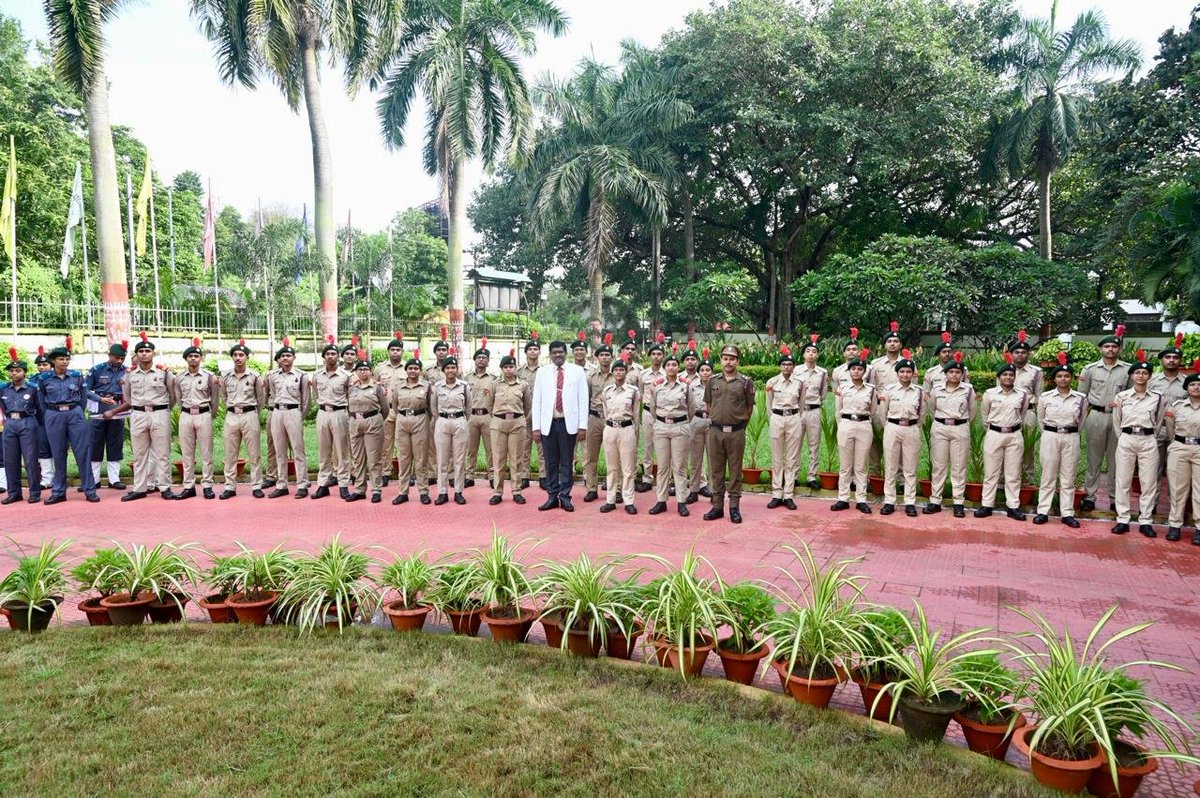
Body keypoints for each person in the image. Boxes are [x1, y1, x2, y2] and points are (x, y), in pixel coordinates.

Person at [106, 333, 178, 501]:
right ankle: (139, 488)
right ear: (136, 355)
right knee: (139, 453)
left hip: (160, 413)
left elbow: (172, 396)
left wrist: (163, 409)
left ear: (153, 353)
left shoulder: (164, 373)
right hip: (138, 414)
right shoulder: (129, 375)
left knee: (162, 453)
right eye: (141, 351)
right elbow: (128, 397)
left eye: (147, 351)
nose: (144, 354)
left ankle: (165, 487)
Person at [1111, 355, 1166, 537]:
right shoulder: (1122, 397)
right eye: (1137, 373)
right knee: (1123, 480)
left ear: (1149, 376)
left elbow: (1158, 421)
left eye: (1144, 373)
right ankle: (1123, 519)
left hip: (1148, 440)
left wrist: (1150, 435)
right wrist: (1123, 437)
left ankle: (1145, 520)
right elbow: (1116, 420)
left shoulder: (1158, 398)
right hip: (1126, 438)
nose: (1141, 376)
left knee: (1148, 481)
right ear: (1132, 376)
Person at [37, 343, 99, 504]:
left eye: (67, 359)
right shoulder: (44, 378)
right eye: (61, 359)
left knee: (82, 452)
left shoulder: (76, 375)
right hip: (54, 414)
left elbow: (83, 397)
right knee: (58, 453)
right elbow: (41, 400)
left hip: (74, 414)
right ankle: (58, 492)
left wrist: (77, 411)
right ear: (53, 361)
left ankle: (89, 490)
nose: (64, 362)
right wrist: (50, 413)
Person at [531, 340, 589, 512]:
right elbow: (537, 401)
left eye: (561, 352)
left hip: (568, 424)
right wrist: (536, 427)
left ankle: (565, 496)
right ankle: (552, 496)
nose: (558, 355)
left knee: (566, 462)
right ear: (550, 354)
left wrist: (582, 426)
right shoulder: (542, 372)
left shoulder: (577, 372)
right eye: (554, 352)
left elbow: (583, 400)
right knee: (550, 462)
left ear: (566, 353)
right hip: (548, 424)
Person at [1079, 325, 1131, 511]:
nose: (1110, 349)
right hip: (1096, 416)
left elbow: (1131, 395)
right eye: (1107, 347)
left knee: (1116, 460)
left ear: (1119, 349)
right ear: (1101, 349)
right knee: (1094, 459)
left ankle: (1115, 498)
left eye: (1114, 347)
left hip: (1118, 418)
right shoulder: (1090, 369)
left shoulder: (1127, 370)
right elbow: (1082, 397)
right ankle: (1090, 496)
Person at [703, 345, 756, 524]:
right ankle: (717, 506)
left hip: (736, 433)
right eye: (725, 358)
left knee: (735, 470)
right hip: (715, 432)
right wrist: (717, 420)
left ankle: (734, 507)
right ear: (721, 360)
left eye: (732, 358)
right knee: (716, 470)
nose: (728, 362)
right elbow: (709, 405)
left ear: (738, 361)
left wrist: (739, 424)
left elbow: (749, 408)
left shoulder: (746, 382)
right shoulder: (713, 381)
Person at [1033, 352, 1087, 528]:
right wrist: (1049, 433)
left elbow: (1082, 420)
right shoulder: (1045, 397)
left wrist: (1072, 433)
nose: (1063, 379)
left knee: (1068, 476)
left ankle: (1067, 513)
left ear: (1072, 378)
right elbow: (1040, 419)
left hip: (1071, 436)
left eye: (1067, 376)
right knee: (1048, 474)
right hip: (1050, 436)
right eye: (1059, 376)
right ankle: (1043, 511)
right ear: (1054, 379)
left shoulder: (1080, 398)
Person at [975, 355, 1029, 521]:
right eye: (1004, 375)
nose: (1008, 377)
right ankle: (987, 505)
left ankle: (1013, 506)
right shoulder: (990, 394)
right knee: (991, 472)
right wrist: (993, 429)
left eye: (1011, 375)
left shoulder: (1022, 394)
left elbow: (1023, 413)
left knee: (1013, 473)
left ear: (1015, 377)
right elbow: (984, 415)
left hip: (1014, 435)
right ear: (999, 377)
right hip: (994, 434)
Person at [925, 353, 973, 517]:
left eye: (957, 372)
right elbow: (932, 409)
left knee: (959, 467)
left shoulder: (968, 390)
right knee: (939, 466)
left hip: (960, 428)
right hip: (940, 427)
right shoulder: (936, 389)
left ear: (962, 374)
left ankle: (958, 502)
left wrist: (961, 423)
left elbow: (972, 412)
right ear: (945, 374)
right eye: (951, 372)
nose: (954, 375)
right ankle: (935, 501)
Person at [648, 355, 695, 516]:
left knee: (680, 466)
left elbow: (692, 408)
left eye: (674, 364)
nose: (671, 367)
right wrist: (662, 421)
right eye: (668, 365)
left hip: (680, 427)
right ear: (665, 367)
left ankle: (682, 501)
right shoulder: (656, 385)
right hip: (661, 427)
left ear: (678, 367)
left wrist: (679, 419)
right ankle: (661, 500)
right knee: (662, 467)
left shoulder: (686, 386)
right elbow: (652, 407)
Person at [218, 339, 265, 500]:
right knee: (230, 453)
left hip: (250, 415)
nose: (238, 358)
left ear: (247, 358)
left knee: (254, 453)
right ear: (232, 357)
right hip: (231, 416)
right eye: (235, 355)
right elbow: (223, 396)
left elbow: (261, 398)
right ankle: (230, 486)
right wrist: (232, 408)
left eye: (241, 355)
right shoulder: (226, 377)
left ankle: (257, 485)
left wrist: (252, 412)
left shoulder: (254, 377)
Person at [879, 351, 924, 517]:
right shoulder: (889, 390)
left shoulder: (919, 392)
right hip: (892, 427)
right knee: (891, 467)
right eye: (902, 371)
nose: (905, 374)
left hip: (911, 429)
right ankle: (889, 501)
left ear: (913, 374)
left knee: (910, 468)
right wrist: (889, 426)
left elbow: (922, 414)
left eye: (908, 372)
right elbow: (883, 412)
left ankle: (909, 502)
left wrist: (914, 426)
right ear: (897, 373)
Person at [264, 338, 310, 498]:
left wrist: (299, 416)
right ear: (279, 359)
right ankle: (281, 484)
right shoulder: (272, 376)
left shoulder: (301, 376)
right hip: (277, 412)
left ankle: (302, 484)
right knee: (279, 449)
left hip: (293, 412)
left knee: (298, 449)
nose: (285, 358)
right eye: (282, 356)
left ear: (293, 358)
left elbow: (306, 401)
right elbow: (270, 395)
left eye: (288, 356)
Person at [172, 338, 218, 499]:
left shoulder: (209, 377)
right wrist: (185, 410)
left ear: (201, 359)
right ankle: (189, 486)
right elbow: (178, 397)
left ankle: (207, 485)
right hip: (186, 415)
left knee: (206, 453)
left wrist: (209, 415)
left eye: (196, 356)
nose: (193, 359)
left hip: (204, 414)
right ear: (186, 359)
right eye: (190, 356)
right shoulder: (179, 378)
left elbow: (215, 399)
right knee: (187, 453)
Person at [831, 351, 873, 514]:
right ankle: (843, 498)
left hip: (864, 425)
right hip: (846, 424)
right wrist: (841, 425)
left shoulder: (871, 389)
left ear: (864, 372)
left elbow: (874, 410)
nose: (856, 371)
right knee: (845, 464)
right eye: (853, 369)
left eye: (860, 369)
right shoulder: (842, 388)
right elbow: (837, 410)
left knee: (861, 465)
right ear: (849, 371)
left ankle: (861, 499)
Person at [488, 352, 532, 505]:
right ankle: (497, 492)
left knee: (516, 459)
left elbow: (528, 406)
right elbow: (489, 404)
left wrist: (518, 417)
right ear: (501, 369)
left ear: (515, 368)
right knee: (498, 460)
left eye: (511, 367)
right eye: (506, 367)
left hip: (517, 423)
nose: (509, 370)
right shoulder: (494, 384)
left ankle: (517, 491)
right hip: (499, 424)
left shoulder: (523, 385)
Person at [84, 341, 128, 490]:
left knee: (115, 443)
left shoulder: (127, 371)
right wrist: (99, 399)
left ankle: (114, 479)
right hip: (98, 407)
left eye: (122, 358)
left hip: (117, 407)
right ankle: (94, 480)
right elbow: (85, 389)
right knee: (95, 443)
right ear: (109, 356)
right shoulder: (97, 370)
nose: (120, 361)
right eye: (117, 358)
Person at [765, 346, 804, 510]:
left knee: (791, 458)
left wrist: (797, 417)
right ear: (780, 366)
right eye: (784, 364)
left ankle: (788, 494)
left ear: (794, 366)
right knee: (777, 457)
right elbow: (768, 404)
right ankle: (777, 493)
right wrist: (773, 417)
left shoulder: (800, 383)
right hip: (777, 418)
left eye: (789, 364)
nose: (786, 367)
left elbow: (801, 404)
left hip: (794, 418)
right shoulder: (772, 382)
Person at [311, 341, 351, 500]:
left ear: (338, 357)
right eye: (327, 354)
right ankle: (323, 484)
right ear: (323, 357)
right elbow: (315, 395)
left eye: (333, 354)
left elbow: (350, 396)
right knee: (324, 451)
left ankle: (343, 485)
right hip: (323, 413)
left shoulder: (346, 376)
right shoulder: (316, 376)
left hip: (340, 413)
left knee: (342, 451)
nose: (330, 356)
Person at [1163, 372, 1200, 544]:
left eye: (1199, 385)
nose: (1197, 387)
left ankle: (1199, 528)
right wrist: (1177, 443)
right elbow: (1170, 429)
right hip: (1180, 447)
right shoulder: (1177, 407)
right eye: (1192, 385)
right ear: (1187, 387)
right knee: (1178, 488)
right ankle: (1175, 525)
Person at [600, 356, 640, 514]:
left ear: (626, 372)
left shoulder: (633, 392)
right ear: (612, 372)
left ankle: (628, 500)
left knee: (628, 468)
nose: (618, 372)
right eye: (616, 370)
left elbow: (636, 414)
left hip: (627, 429)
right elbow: (605, 412)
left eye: (621, 370)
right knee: (611, 467)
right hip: (610, 429)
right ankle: (610, 499)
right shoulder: (606, 391)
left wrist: (633, 431)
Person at [390, 357, 432, 506]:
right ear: (406, 370)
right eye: (410, 368)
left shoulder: (427, 386)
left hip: (420, 420)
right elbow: (394, 405)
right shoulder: (398, 386)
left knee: (421, 459)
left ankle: (423, 491)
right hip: (402, 421)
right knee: (403, 458)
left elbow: (431, 407)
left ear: (420, 371)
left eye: (416, 368)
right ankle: (403, 492)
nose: (413, 371)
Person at [1, 352, 42, 504]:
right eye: (12, 371)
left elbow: (40, 408)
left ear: (25, 372)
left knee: (30, 459)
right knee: (10, 460)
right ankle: (14, 493)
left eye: (18, 371)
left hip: (27, 422)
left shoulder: (32, 388)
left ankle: (34, 492)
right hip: (10, 424)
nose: (14, 373)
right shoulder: (4, 389)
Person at [346, 354, 387, 503]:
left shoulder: (377, 387)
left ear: (371, 371)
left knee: (374, 458)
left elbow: (385, 409)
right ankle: (359, 489)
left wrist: (375, 419)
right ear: (356, 372)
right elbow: (348, 407)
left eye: (366, 369)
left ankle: (376, 489)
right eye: (360, 369)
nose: (363, 372)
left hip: (373, 422)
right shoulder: (352, 388)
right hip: (355, 422)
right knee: (357, 458)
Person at [431, 356, 470, 505]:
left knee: (459, 460)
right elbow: (433, 408)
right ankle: (442, 492)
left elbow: (469, 407)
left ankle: (458, 492)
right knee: (442, 460)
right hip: (442, 421)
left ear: (457, 370)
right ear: (444, 370)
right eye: (447, 368)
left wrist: (460, 418)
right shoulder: (437, 387)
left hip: (460, 421)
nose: (450, 370)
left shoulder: (464, 386)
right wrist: (441, 418)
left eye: (453, 368)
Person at [1151, 335, 1187, 480]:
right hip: (1157, 430)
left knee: (1177, 472)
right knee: (1154, 470)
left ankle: (1175, 503)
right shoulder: (1152, 381)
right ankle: (1152, 502)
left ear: (1180, 360)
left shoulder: (1187, 382)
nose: (1171, 360)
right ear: (1162, 360)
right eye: (1167, 357)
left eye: (1175, 357)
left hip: (1179, 432)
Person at [582, 341, 615, 502]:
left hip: (611, 419)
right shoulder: (590, 377)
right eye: (601, 355)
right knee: (591, 456)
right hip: (594, 417)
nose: (604, 357)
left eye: (607, 355)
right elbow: (585, 398)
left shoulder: (618, 375)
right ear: (597, 358)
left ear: (612, 357)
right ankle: (592, 488)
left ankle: (615, 488)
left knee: (614, 456)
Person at [1010, 331, 1044, 484]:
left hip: (1029, 412)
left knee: (1027, 447)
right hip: (1009, 413)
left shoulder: (1036, 372)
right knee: (1009, 446)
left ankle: (1027, 479)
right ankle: (1006, 479)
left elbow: (1040, 396)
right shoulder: (1005, 371)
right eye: (1017, 352)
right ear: (1012, 354)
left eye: (1024, 352)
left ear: (1029, 354)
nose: (1020, 355)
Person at [374, 333, 407, 486]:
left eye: (398, 350)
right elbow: (375, 388)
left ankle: (405, 474)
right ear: (388, 351)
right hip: (386, 410)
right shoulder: (380, 368)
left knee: (404, 445)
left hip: (402, 411)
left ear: (402, 352)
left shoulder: (408, 368)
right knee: (385, 444)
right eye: (392, 349)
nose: (395, 352)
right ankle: (385, 472)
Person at [795, 335, 828, 491]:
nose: (811, 354)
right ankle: (793, 475)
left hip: (814, 410)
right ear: (803, 354)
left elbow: (823, 394)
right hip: (798, 411)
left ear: (817, 355)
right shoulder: (795, 370)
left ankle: (811, 476)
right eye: (808, 351)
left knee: (814, 444)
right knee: (795, 443)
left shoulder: (822, 373)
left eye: (814, 351)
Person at [637, 338, 667, 492]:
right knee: (648, 446)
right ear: (649, 356)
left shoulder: (667, 373)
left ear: (663, 356)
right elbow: (640, 394)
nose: (656, 356)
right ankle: (647, 478)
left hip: (663, 414)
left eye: (659, 354)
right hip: (648, 413)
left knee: (663, 448)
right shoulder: (643, 374)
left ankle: (664, 480)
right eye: (653, 354)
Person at [464, 344, 495, 489]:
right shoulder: (466, 378)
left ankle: (492, 476)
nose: (481, 360)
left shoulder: (494, 379)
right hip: (471, 416)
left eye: (484, 358)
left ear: (488, 361)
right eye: (478, 358)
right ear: (474, 360)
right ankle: (469, 476)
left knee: (491, 448)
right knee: (471, 448)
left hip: (487, 416)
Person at [684, 353, 713, 503]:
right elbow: (687, 404)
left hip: (712, 422)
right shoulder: (691, 386)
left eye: (708, 370)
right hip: (696, 421)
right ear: (698, 372)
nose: (705, 373)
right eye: (702, 370)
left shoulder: (716, 386)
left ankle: (714, 491)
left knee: (713, 459)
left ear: (712, 372)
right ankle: (694, 490)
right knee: (695, 459)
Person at [517, 333, 544, 490]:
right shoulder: (520, 371)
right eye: (530, 349)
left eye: (536, 349)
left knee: (543, 447)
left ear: (539, 352)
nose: (533, 351)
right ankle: (524, 476)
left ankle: (543, 476)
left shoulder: (546, 370)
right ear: (526, 352)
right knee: (524, 446)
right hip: (524, 413)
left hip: (541, 413)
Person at [424, 334, 450, 486]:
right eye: (439, 350)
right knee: (432, 444)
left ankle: (451, 475)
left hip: (450, 412)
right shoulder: (428, 371)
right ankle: (432, 473)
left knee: (451, 446)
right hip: (433, 413)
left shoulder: (454, 369)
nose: (441, 352)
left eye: (444, 349)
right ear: (435, 353)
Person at [32, 347, 54, 490]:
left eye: (45, 365)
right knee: (43, 448)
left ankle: (59, 477)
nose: (41, 367)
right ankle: (46, 479)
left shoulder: (55, 377)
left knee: (58, 447)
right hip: (40, 418)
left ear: (51, 366)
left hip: (55, 416)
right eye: (39, 365)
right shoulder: (32, 379)